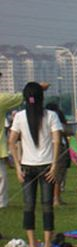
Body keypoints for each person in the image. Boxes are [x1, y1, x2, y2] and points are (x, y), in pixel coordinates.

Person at [8, 82, 61, 247]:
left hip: (27, 167)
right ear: (42, 97)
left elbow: (11, 141)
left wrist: (17, 166)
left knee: (28, 205)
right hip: (46, 166)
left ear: (25, 98)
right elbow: (57, 141)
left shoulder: (19, 117)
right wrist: (54, 165)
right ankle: (46, 245)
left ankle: (32, 244)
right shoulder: (51, 115)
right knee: (47, 206)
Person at [0, 73, 26, 208]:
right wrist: (37, 89)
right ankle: (1, 203)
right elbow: (22, 96)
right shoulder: (2, 99)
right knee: (1, 177)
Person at [45, 103, 70, 206]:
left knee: (51, 174)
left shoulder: (44, 117)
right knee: (58, 174)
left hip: (48, 147)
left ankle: (52, 198)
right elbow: (65, 131)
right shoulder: (55, 116)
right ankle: (56, 198)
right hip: (59, 147)